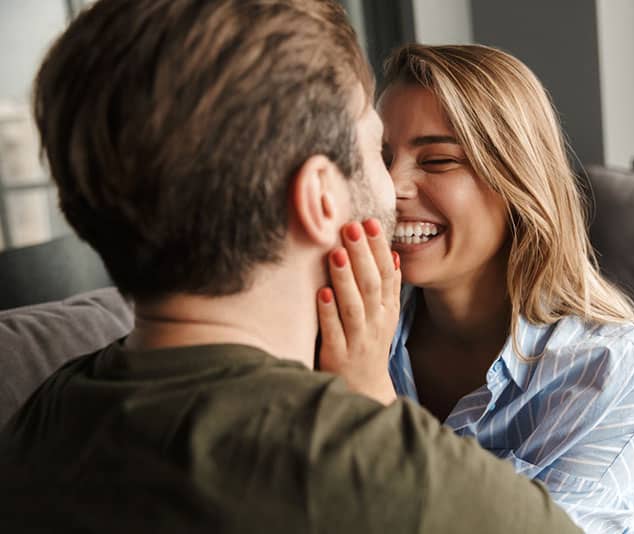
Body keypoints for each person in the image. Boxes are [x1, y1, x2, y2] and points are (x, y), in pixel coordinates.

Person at [0, 3, 581, 533]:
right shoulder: (428, 491)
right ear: (322, 197)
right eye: (376, 151)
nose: (396, 186)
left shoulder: (40, 422)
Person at [376, 43, 634, 533]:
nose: (389, 186)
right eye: (379, 157)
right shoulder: (343, 327)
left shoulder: (612, 374)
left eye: (436, 161)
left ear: (516, 180)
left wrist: (368, 400)